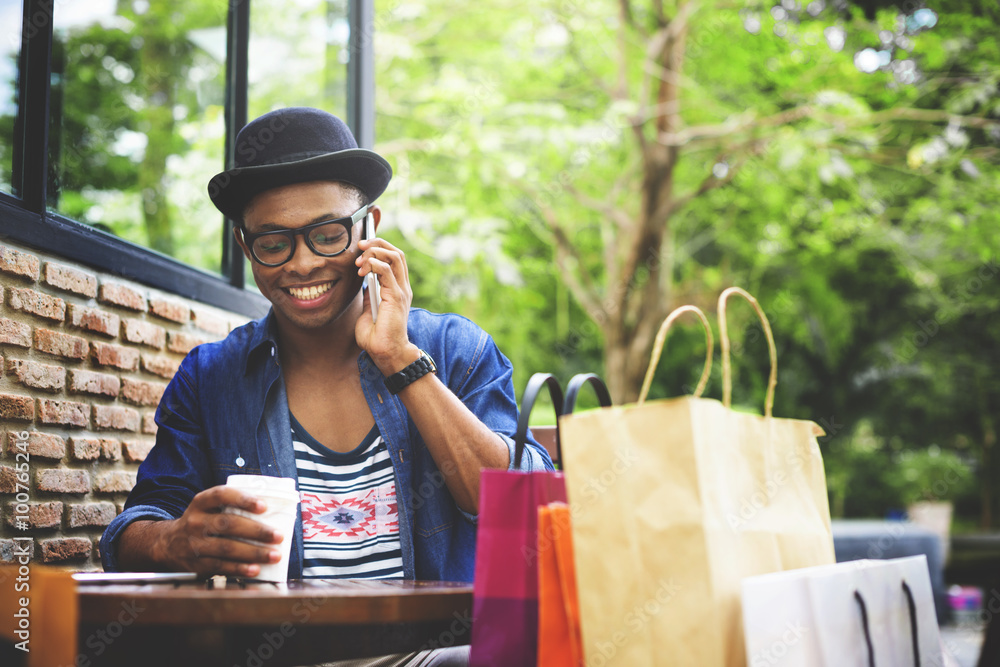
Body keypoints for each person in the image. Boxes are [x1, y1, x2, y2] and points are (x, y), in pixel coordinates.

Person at [99, 107, 553, 666]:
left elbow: (518, 509)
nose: (303, 263)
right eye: (273, 243)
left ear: (370, 227)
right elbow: (128, 535)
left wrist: (400, 360)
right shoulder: (212, 377)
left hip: (437, 654)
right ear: (246, 248)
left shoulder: (455, 350)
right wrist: (174, 541)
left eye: (327, 234)